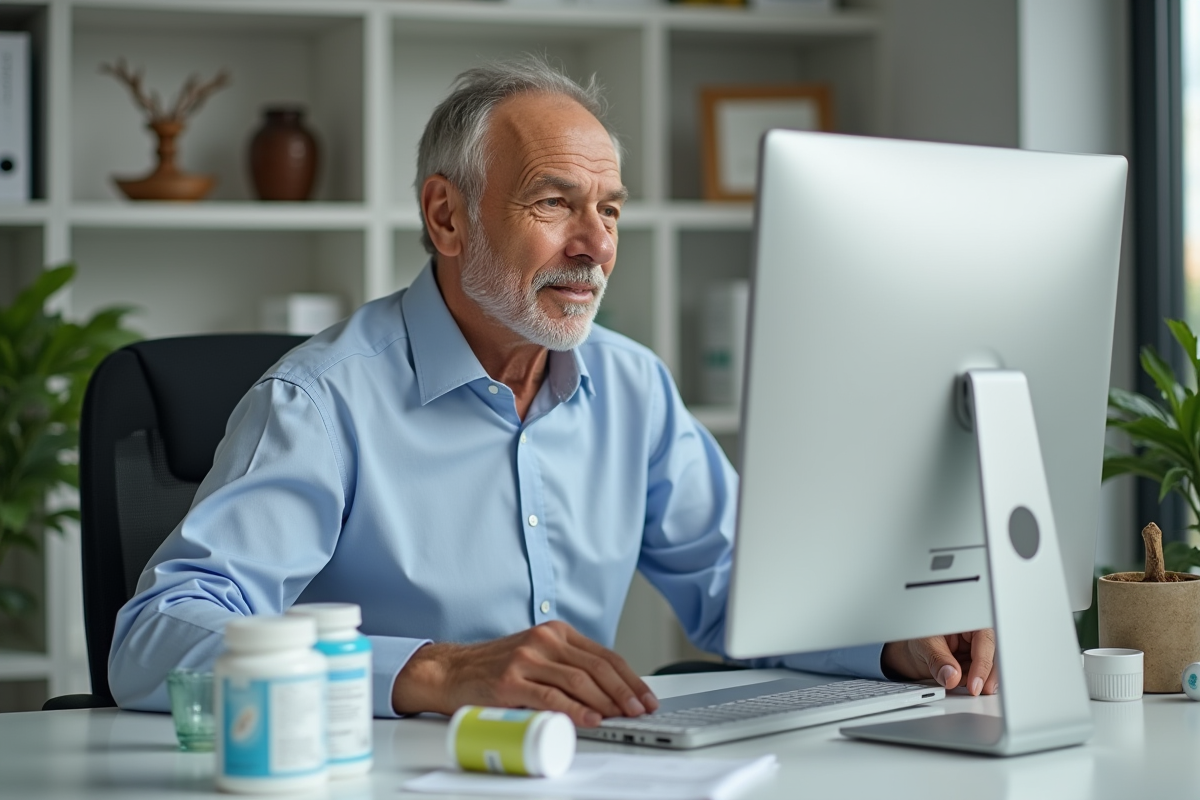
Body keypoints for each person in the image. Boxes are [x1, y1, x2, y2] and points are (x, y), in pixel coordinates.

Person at [110, 56, 998, 725]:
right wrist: (431, 672)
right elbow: (154, 640)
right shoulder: (322, 402)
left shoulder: (632, 385)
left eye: (609, 209)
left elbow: (740, 589)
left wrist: (888, 640)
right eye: (554, 203)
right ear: (446, 217)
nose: (596, 246)